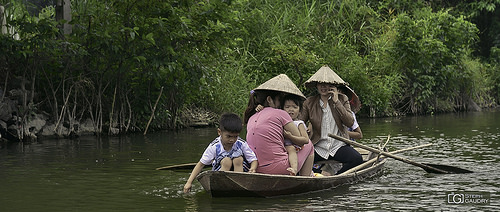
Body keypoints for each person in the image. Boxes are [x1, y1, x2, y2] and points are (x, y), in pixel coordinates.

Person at [244, 74, 315, 176]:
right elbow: (301, 142)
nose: (280, 104)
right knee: (309, 145)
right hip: (277, 168)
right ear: (269, 100)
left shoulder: (252, 116)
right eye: (279, 100)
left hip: (255, 167)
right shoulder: (281, 114)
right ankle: (305, 180)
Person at [299, 65, 363, 175]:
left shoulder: (343, 99)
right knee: (298, 161)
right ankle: (322, 173)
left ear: (334, 86)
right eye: (321, 84)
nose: (324, 87)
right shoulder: (309, 102)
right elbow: (299, 122)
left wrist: (337, 102)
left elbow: (350, 122)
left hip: (338, 145)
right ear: (316, 85)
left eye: (328, 84)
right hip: (318, 146)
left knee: (357, 159)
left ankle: (338, 176)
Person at [183, 113, 258, 193]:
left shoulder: (241, 143)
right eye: (228, 136)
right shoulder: (214, 146)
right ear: (219, 132)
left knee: (238, 159)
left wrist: (253, 168)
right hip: (221, 171)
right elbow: (201, 164)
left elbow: (253, 160)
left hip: (240, 171)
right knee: (226, 161)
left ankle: (238, 185)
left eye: (235, 136)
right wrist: (189, 182)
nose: (232, 140)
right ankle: (221, 185)